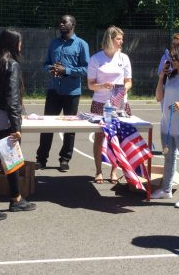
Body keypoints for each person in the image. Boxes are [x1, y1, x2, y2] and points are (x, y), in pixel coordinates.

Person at [0, 29, 36, 223]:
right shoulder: (11, 65)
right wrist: (16, 126)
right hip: (4, 120)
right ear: (13, 44)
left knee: (10, 159)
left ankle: (16, 198)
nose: (21, 46)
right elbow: (13, 98)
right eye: (19, 42)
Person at [36, 14, 89, 172]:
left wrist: (66, 70)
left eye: (64, 22)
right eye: (60, 22)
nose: (61, 24)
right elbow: (46, 64)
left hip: (72, 92)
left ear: (72, 24)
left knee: (69, 127)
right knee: (47, 125)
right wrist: (51, 68)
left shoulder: (81, 44)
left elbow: (86, 69)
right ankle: (41, 158)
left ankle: (65, 159)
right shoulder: (54, 43)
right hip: (54, 90)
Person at [152, 43, 179, 208]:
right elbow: (158, 97)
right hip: (167, 127)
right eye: (172, 57)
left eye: (176, 57)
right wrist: (161, 77)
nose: (172, 60)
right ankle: (166, 190)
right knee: (169, 159)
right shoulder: (170, 76)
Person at [87, 26, 132, 184]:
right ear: (110, 39)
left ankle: (114, 170)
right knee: (100, 136)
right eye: (118, 38)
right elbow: (91, 85)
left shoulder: (124, 58)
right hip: (100, 103)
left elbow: (128, 82)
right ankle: (98, 171)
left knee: (117, 138)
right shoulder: (96, 59)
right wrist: (103, 86)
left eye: (121, 39)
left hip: (120, 103)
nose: (121, 42)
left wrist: (122, 90)